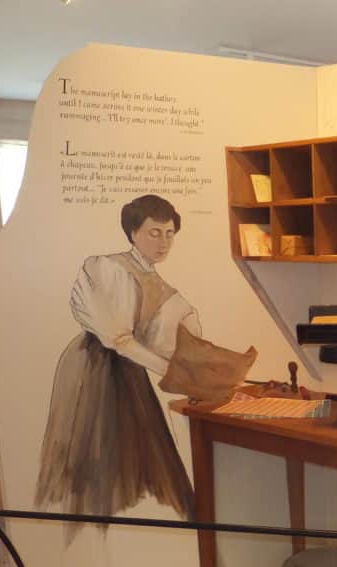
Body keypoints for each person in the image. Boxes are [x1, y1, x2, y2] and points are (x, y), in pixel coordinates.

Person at [36, 194, 255, 532]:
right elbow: (118, 339)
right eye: (155, 232)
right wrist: (180, 375)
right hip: (93, 369)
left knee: (140, 460)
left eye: (170, 233)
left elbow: (186, 344)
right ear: (133, 232)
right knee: (95, 452)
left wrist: (222, 380)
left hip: (130, 373)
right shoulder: (109, 267)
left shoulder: (169, 293)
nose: (163, 242)